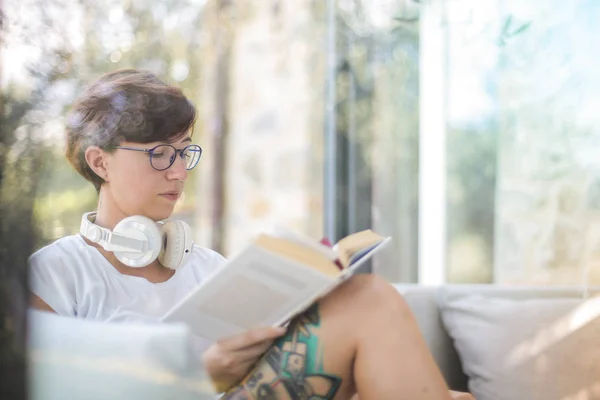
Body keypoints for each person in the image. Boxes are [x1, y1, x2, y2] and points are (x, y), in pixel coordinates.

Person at [29, 69, 474, 399]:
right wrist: (195, 377)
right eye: (161, 154)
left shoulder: (207, 267)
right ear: (100, 162)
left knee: (368, 303)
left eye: (186, 153)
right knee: (370, 301)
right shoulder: (56, 273)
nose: (180, 171)